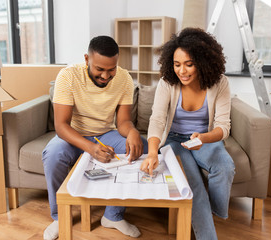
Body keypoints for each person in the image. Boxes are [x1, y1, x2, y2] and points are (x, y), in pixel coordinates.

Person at [42, 35, 148, 240]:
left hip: (105, 134)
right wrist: (90, 149)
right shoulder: (68, 76)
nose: (106, 76)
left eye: (111, 69)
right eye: (100, 69)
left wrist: (133, 132)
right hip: (73, 135)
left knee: (138, 146)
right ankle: (59, 217)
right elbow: (61, 126)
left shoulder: (124, 78)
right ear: (86, 59)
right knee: (53, 154)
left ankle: (113, 216)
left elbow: (123, 122)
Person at [140, 27, 235, 239]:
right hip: (174, 140)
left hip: (205, 138)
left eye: (189, 64)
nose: (182, 71)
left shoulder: (220, 83)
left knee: (225, 167)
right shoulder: (167, 83)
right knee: (194, 187)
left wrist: (204, 138)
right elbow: (157, 120)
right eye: (177, 64)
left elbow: (223, 126)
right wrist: (153, 152)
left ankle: (212, 214)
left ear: (203, 62)